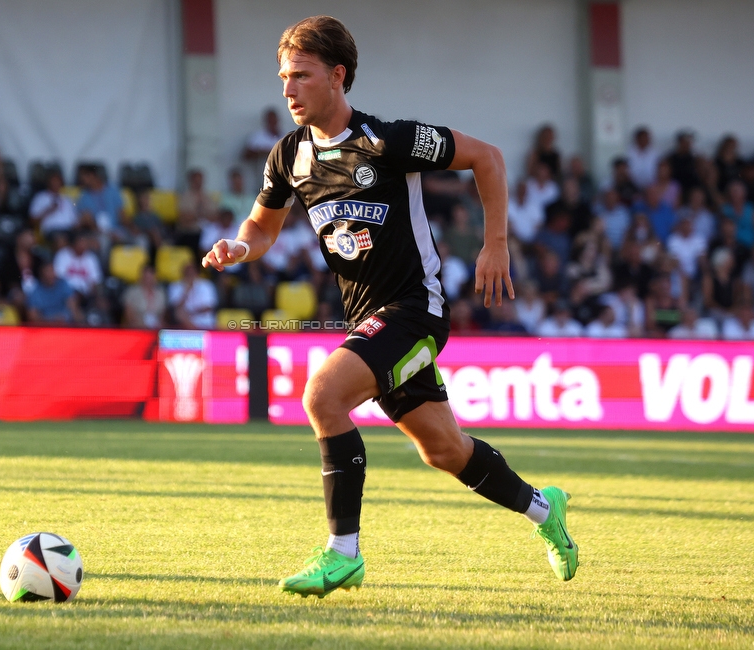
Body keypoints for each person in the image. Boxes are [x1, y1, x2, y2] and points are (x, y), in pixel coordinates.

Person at [202, 15, 578, 599]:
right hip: (369, 321)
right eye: (283, 77)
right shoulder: (289, 156)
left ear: (338, 75)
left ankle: (342, 554)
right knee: (444, 450)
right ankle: (542, 509)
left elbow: (489, 158)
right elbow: (263, 225)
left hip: (414, 311)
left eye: (300, 76)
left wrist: (495, 243)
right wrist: (240, 246)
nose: (287, 89)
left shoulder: (389, 140)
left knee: (322, 395)